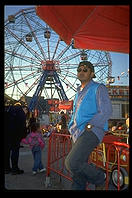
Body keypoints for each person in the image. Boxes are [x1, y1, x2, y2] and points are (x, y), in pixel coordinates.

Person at [65, 61, 112, 190]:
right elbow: (75, 112)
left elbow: (106, 110)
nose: (81, 71)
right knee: (77, 173)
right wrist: (71, 126)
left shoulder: (98, 88)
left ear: (92, 73)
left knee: (71, 163)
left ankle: (100, 178)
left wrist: (91, 125)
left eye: (85, 70)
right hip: (77, 132)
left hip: (91, 131)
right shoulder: (78, 92)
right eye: (79, 69)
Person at [4, 102, 29, 175]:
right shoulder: (20, 112)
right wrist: (23, 136)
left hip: (6, 134)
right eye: (26, 111)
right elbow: (23, 126)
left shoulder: (8, 110)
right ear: (24, 108)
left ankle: (6, 168)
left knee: (6, 151)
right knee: (15, 151)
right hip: (15, 135)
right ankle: (15, 169)